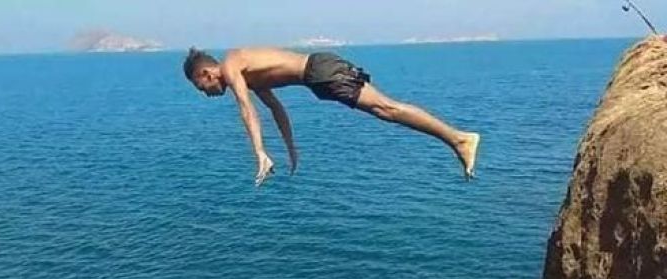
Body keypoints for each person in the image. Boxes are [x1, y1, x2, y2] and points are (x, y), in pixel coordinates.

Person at [183, 47, 480, 186]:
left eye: (201, 87)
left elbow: (246, 109)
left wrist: (260, 153)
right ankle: (457, 139)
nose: (206, 93)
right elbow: (275, 109)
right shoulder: (248, 75)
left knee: (386, 109)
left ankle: (459, 139)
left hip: (320, 72)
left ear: (206, 73)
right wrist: (290, 149)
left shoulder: (232, 63)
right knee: (385, 110)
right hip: (318, 77)